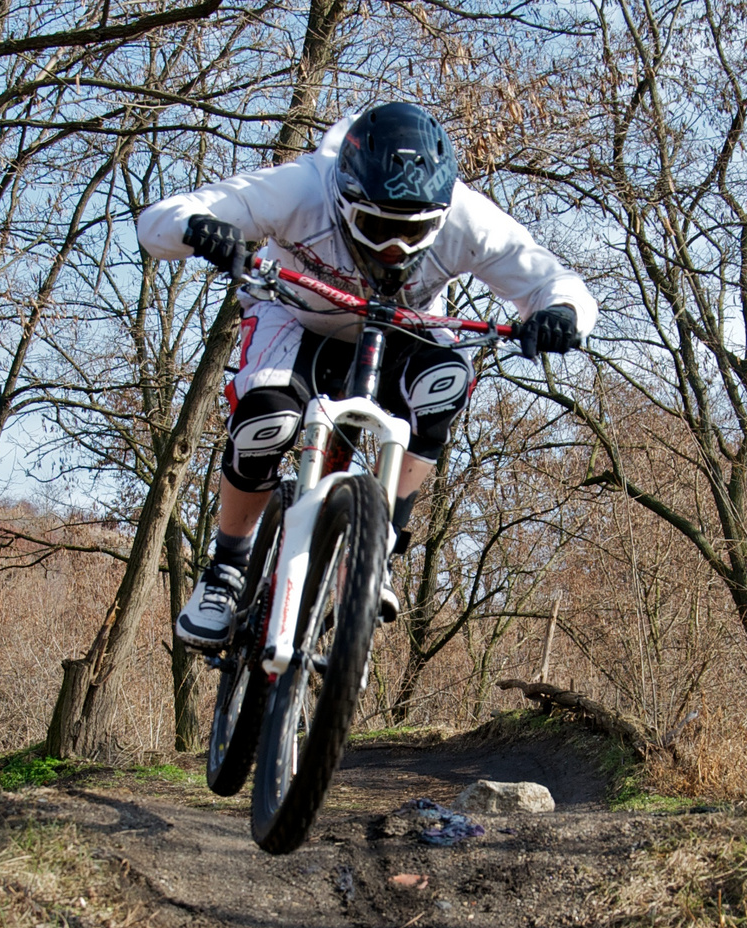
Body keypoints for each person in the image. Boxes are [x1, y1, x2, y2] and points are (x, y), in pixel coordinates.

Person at [138, 102, 597, 649]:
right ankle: (227, 569)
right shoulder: (303, 188)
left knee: (444, 383)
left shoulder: (468, 218)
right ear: (344, 198)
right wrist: (200, 228)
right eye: (377, 227)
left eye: (414, 232)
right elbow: (159, 222)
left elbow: (552, 279)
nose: (393, 248)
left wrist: (560, 315)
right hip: (298, 316)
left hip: (401, 329)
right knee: (268, 419)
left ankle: (378, 542)